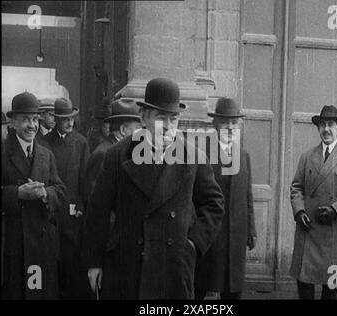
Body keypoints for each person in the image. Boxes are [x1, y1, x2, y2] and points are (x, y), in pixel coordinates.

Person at [82, 78, 225, 299]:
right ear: (144, 117)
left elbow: (214, 204)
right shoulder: (118, 155)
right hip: (127, 266)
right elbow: (97, 212)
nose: (168, 126)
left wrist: (193, 244)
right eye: (161, 118)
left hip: (174, 268)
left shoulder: (193, 158)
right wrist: (95, 262)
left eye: (174, 119)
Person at [290, 105, 337, 300]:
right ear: (318, 128)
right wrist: (299, 212)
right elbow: (296, 188)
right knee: (305, 286)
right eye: (322, 125)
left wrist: (335, 210)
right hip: (309, 230)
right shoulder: (307, 157)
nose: (326, 129)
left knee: (332, 291)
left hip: (335, 232)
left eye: (330, 125)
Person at [1, 92, 66, 299]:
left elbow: (61, 191)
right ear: (13, 122)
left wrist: (45, 193)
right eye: (25, 119)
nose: (32, 125)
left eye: (35, 119)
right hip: (13, 244)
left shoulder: (46, 155)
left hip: (42, 244)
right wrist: (18, 193)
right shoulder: (3, 153)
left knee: (40, 294)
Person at [194, 97, 256, 300]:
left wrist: (251, 231)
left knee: (233, 288)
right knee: (203, 285)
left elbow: (247, 195)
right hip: (210, 235)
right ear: (215, 124)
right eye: (224, 122)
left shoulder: (244, 155)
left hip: (236, 235)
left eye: (234, 123)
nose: (230, 128)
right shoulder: (201, 153)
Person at [83, 98, 142, 299]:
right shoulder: (105, 154)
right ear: (124, 129)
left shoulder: (124, 152)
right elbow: (97, 209)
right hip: (112, 247)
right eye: (138, 128)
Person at [45, 98, 90, 299]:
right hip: (53, 208)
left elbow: (85, 177)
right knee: (53, 254)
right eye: (65, 120)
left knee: (71, 255)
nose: (70, 123)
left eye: (72, 119)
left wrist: (81, 202)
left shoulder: (80, 142)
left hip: (72, 208)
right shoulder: (45, 143)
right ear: (55, 119)